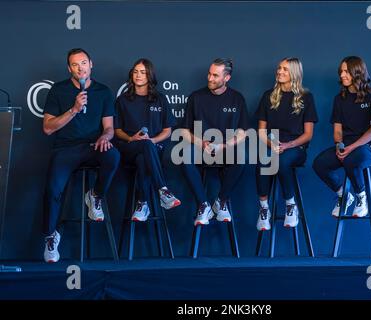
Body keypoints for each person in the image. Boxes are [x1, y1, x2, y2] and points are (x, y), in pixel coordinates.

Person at [42, 48, 120, 263]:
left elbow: (109, 128)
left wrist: (105, 136)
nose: (80, 68)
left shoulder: (103, 91)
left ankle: (95, 195)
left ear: (91, 64)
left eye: (83, 63)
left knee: (113, 156)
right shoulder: (58, 90)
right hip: (66, 148)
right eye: (75, 65)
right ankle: (51, 236)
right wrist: (74, 109)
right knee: (52, 189)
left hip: (93, 146)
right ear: (69, 69)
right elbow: (48, 128)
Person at [180, 58, 249, 226]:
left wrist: (224, 145)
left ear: (227, 78)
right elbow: (184, 131)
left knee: (242, 156)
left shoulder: (237, 98)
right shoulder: (196, 97)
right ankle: (203, 205)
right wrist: (201, 143)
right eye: (209, 74)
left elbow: (243, 131)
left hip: (225, 148)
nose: (210, 78)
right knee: (183, 155)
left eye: (215, 75)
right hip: (201, 148)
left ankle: (221, 200)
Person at [255, 57, 318, 230]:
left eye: (285, 69)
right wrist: (271, 144)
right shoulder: (268, 96)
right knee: (263, 160)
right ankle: (264, 209)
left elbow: (308, 135)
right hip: (273, 144)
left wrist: (288, 145)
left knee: (282, 161)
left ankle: (291, 205)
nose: (280, 72)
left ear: (294, 73)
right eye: (279, 68)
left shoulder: (306, 97)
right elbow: (260, 131)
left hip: (296, 147)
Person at [114, 58, 180, 222]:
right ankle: (163, 190)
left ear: (149, 75)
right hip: (128, 149)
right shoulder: (122, 100)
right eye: (135, 72)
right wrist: (131, 138)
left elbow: (167, 131)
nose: (138, 75)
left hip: (152, 152)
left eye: (143, 72)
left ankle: (142, 203)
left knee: (144, 156)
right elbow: (116, 130)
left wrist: (153, 140)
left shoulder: (160, 99)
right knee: (143, 146)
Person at [313, 56, 371, 218]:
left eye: (346, 71)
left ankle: (361, 198)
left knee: (351, 160)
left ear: (357, 73)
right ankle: (344, 195)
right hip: (346, 146)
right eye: (341, 71)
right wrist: (339, 146)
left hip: (368, 147)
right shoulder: (339, 99)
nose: (342, 75)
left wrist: (352, 147)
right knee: (319, 163)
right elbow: (337, 130)